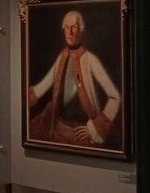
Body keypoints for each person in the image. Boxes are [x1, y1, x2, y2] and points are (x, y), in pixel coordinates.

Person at [28, 10, 121, 147]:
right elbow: (42, 87)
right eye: (67, 27)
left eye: (74, 27)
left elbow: (115, 97)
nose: (70, 32)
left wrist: (93, 129)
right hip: (59, 129)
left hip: (83, 135)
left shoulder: (91, 60)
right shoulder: (62, 56)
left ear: (81, 30)